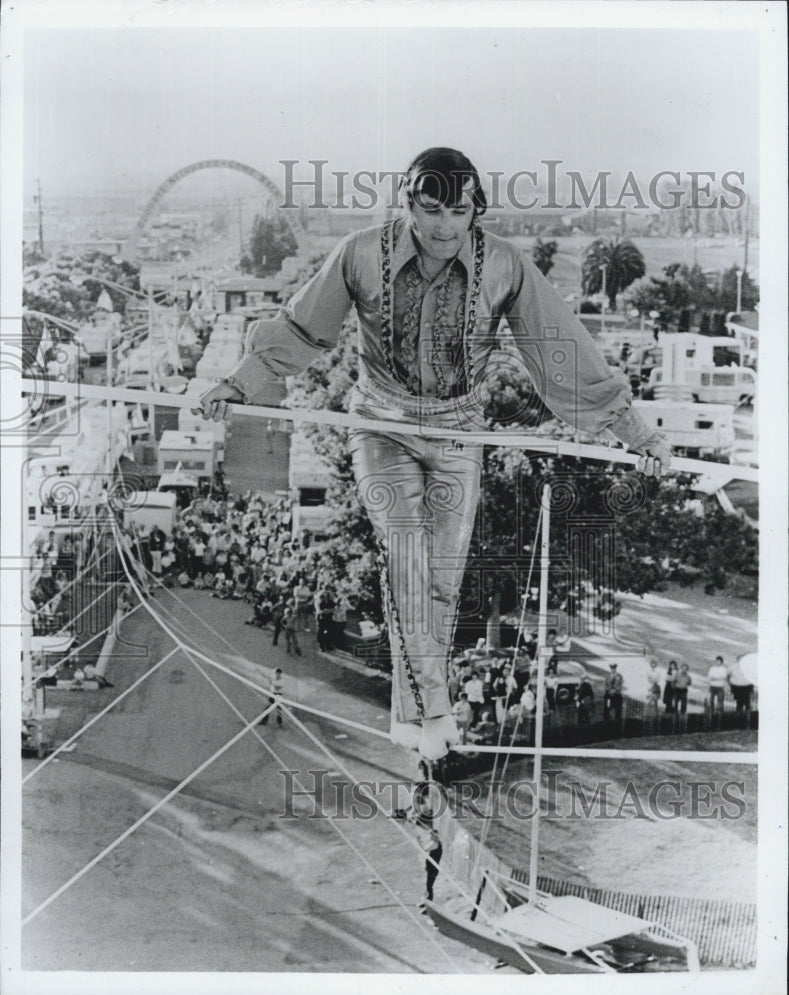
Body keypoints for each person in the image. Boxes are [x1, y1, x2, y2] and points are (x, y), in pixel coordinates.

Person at [196, 147, 671, 761]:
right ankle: (438, 710)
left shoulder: (505, 264)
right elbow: (302, 327)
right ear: (407, 204)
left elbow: (562, 351)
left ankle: (412, 716)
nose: (444, 226)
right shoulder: (359, 254)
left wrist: (635, 433)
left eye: (458, 211)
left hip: (460, 433)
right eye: (430, 210)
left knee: (439, 583)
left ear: (476, 209)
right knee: (407, 556)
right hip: (381, 424)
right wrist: (238, 383)